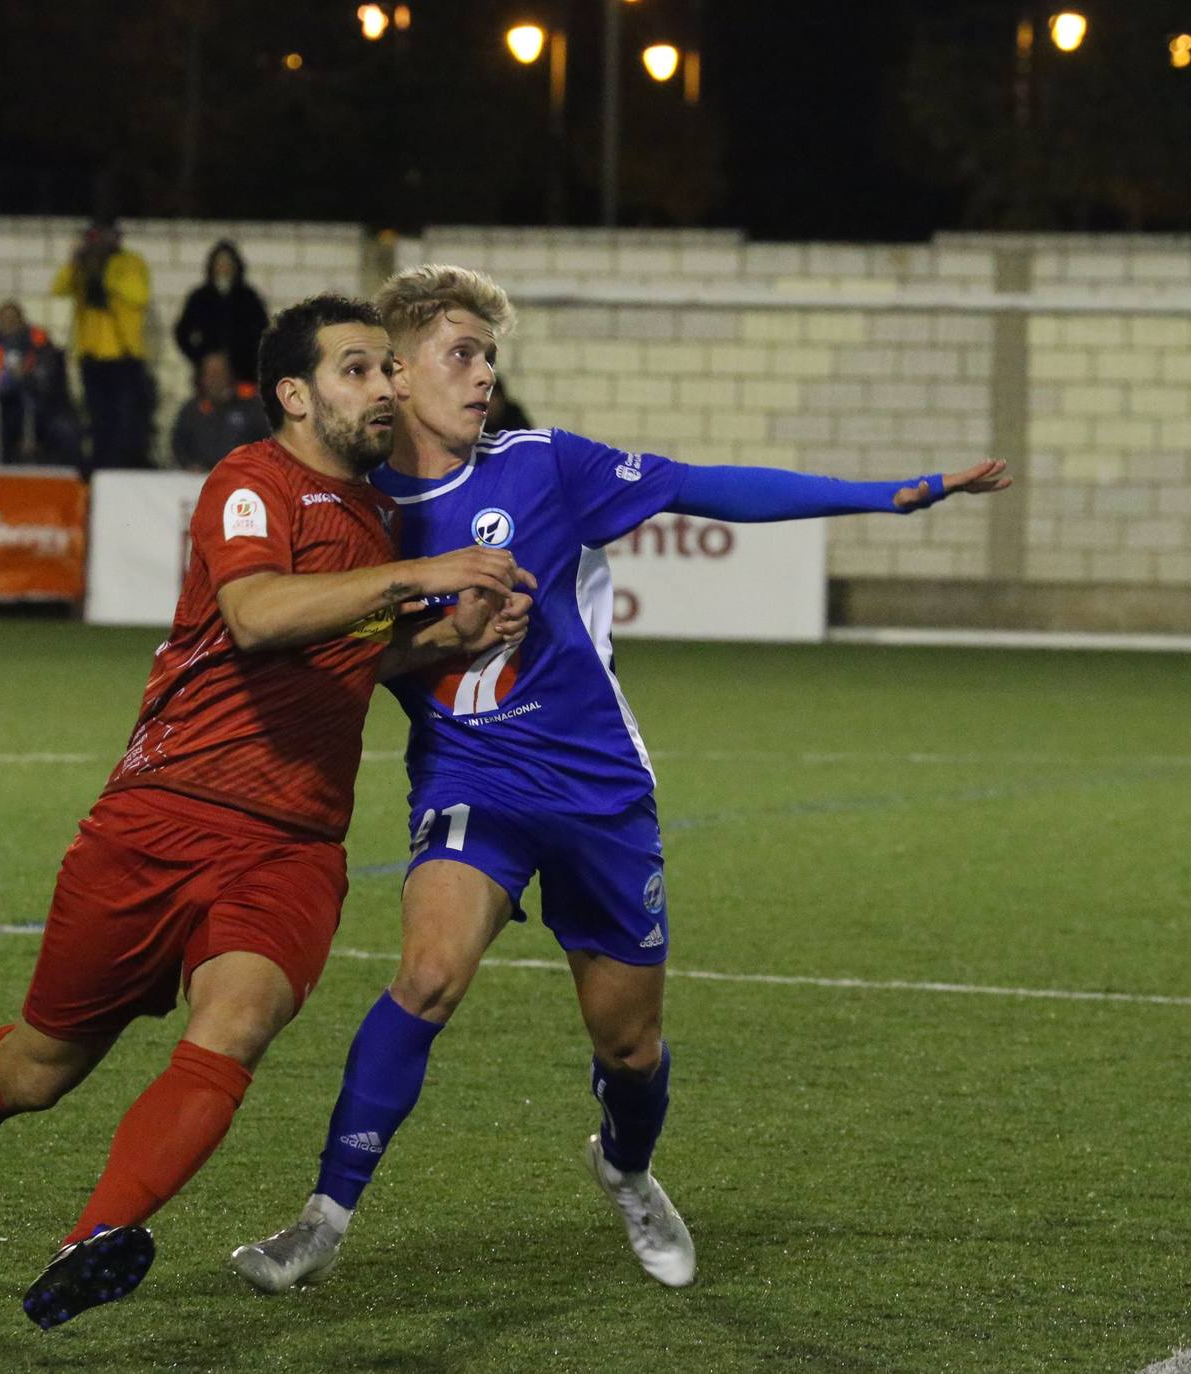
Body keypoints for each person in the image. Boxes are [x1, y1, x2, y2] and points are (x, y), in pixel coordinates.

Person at [230, 265, 1010, 1294]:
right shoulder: (356, 517)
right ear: (400, 370)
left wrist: (886, 497)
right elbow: (326, 660)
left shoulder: (547, 466)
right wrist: (430, 641)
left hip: (599, 789)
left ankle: (627, 1166)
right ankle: (322, 1222)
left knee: (630, 1046)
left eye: (491, 358)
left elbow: (701, 484)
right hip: (474, 777)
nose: (484, 376)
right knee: (426, 975)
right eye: (462, 354)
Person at [0, 292, 536, 1333]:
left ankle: (97, 1236)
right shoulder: (251, 481)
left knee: (240, 1019)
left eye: (390, 367)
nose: (387, 385)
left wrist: (447, 638)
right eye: (359, 368)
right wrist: (425, 576)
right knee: (42, 1067)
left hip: (292, 844)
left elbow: (344, 664)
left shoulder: (380, 522)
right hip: (161, 817)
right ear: (294, 395)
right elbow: (256, 617)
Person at [52, 217, 152, 472]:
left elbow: (139, 295)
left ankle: (123, 468)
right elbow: (59, 288)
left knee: (125, 421)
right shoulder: (85, 264)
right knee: (98, 420)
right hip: (91, 354)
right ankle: (101, 467)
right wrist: (76, 260)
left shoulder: (131, 262)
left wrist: (105, 276)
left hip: (123, 353)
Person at [0, 300, 80, 462]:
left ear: (22, 320)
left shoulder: (40, 343)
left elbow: (48, 377)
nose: (9, 323)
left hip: (45, 410)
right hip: (7, 411)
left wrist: (26, 375)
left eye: (13, 318)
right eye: (4, 319)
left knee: (66, 433)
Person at [172, 240, 268, 387]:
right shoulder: (200, 297)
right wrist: (200, 357)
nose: (223, 267)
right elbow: (182, 332)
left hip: (243, 373)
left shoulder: (248, 297)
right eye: (219, 262)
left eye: (228, 262)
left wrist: (248, 355)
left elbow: (263, 331)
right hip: (209, 375)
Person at [170, 350, 270, 471]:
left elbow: (266, 442)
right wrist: (188, 465)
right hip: (198, 479)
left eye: (218, 374)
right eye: (210, 375)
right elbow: (178, 444)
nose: (214, 380)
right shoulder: (191, 411)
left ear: (228, 375)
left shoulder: (249, 407)